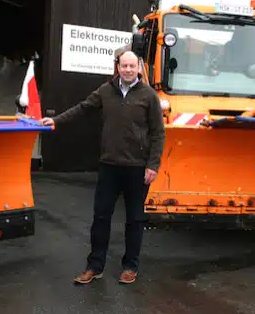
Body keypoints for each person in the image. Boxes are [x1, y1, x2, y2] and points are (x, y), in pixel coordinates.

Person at [39, 50, 165, 285]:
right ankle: (94, 266)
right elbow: (83, 108)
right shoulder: (106, 91)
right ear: (117, 67)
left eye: (132, 66)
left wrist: (153, 165)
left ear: (139, 67)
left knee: (135, 219)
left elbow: (158, 134)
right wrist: (56, 120)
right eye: (123, 66)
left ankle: (130, 266)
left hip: (137, 169)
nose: (127, 70)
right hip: (109, 166)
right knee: (101, 218)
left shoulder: (149, 96)